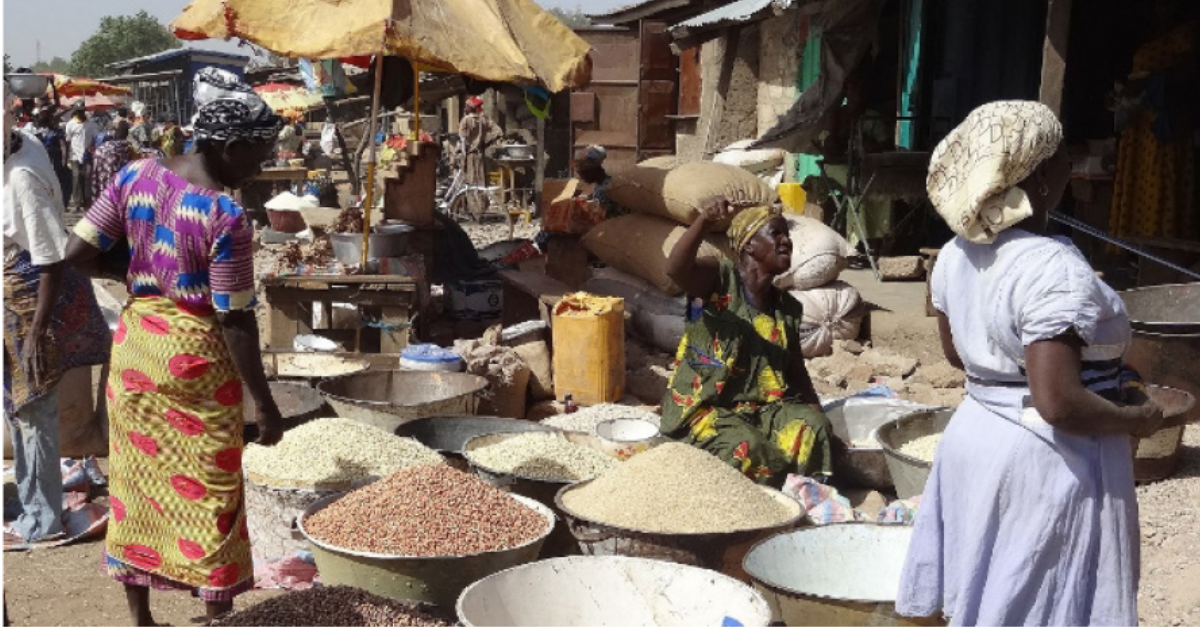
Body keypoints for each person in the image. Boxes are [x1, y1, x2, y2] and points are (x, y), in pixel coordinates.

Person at [896, 101, 1165, 626]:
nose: (1071, 164)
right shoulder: (1051, 267)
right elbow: (1059, 402)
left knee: (990, 581)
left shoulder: (955, 252)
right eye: (1063, 155)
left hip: (978, 436)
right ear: (1040, 178)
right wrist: (1139, 419)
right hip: (1045, 458)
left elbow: (956, 354)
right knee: (1037, 595)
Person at [58, 67, 285, 626]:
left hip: (136, 350)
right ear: (229, 148)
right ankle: (216, 616)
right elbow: (235, 321)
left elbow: (75, 251)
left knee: (134, 486)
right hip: (196, 364)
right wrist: (265, 403)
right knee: (212, 491)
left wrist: (139, 268)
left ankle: (141, 618)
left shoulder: (136, 176)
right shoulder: (225, 215)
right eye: (259, 154)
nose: (263, 166)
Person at [3, 82, 111, 549]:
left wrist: (37, 333)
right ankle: (33, 502)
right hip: (16, 292)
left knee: (34, 409)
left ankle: (41, 518)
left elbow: (51, 260)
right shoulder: (21, 142)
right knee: (20, 408)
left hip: (32, 296)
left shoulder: (23, 176)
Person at [659, 203, 834, 485]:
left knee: (813, 429)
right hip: (704, 412)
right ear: (750, 245)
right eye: (775, 233)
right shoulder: (719, 280)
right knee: (748, 447)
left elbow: (797, 373)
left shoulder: (786, 308)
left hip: (762, 410)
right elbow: (676, 269)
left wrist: (825, 425)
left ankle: (801, 500)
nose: (786, 240)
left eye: (787, 234)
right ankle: (756, 512)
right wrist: (704, 220)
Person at [1109, 0, 1198, 242]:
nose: (1162, 7)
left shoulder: (1187, 34)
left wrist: (1148, 83)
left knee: (1161, 184)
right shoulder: (1157, 35)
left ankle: (1158, 247)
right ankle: (1136, 251)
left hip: (1162, 123)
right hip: (1141, 125)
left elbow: (1186, 75)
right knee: (1142, 184)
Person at [458, 95, 502, 218]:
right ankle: (482, 209)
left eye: (466, 106)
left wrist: (462, 155)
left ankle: (475, 212)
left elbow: (463, 140)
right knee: (482, 183)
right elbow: (498, 132)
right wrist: (486, 143)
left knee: (471, 183)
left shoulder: (466, 120)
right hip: (480, 155)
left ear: (469, 108)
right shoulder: (484, 119)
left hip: (470, 155)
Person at [572, 144, 626, 219]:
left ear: (593, 170)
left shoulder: (604, 190)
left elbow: (598, 217)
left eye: (584, 172)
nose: (581, 177)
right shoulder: (606, 183)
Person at [30, 107, 72, 201]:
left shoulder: (57, 131)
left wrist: (64, 158)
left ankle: (59, 198)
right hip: (43, 158)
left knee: (56, 178)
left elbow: (63, 145)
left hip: (55, 158)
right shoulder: (37, 132)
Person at [91, 120, 136, 203]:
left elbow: (95, 172)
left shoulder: (102, 148)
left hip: (101, 187)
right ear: (126, 134)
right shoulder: (127, 149)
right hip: (116, 190)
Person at [64, 108, 96, 211]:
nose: (80, 113)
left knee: (87, 178)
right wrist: (67, 156)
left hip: (88, 156)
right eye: (78, 111)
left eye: (82, 111)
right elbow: (67, 141)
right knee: (76, 177)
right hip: (74, 156)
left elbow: (96, 138)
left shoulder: (92, 124)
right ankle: (77, 203)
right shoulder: (70, 124)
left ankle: (87, 202)